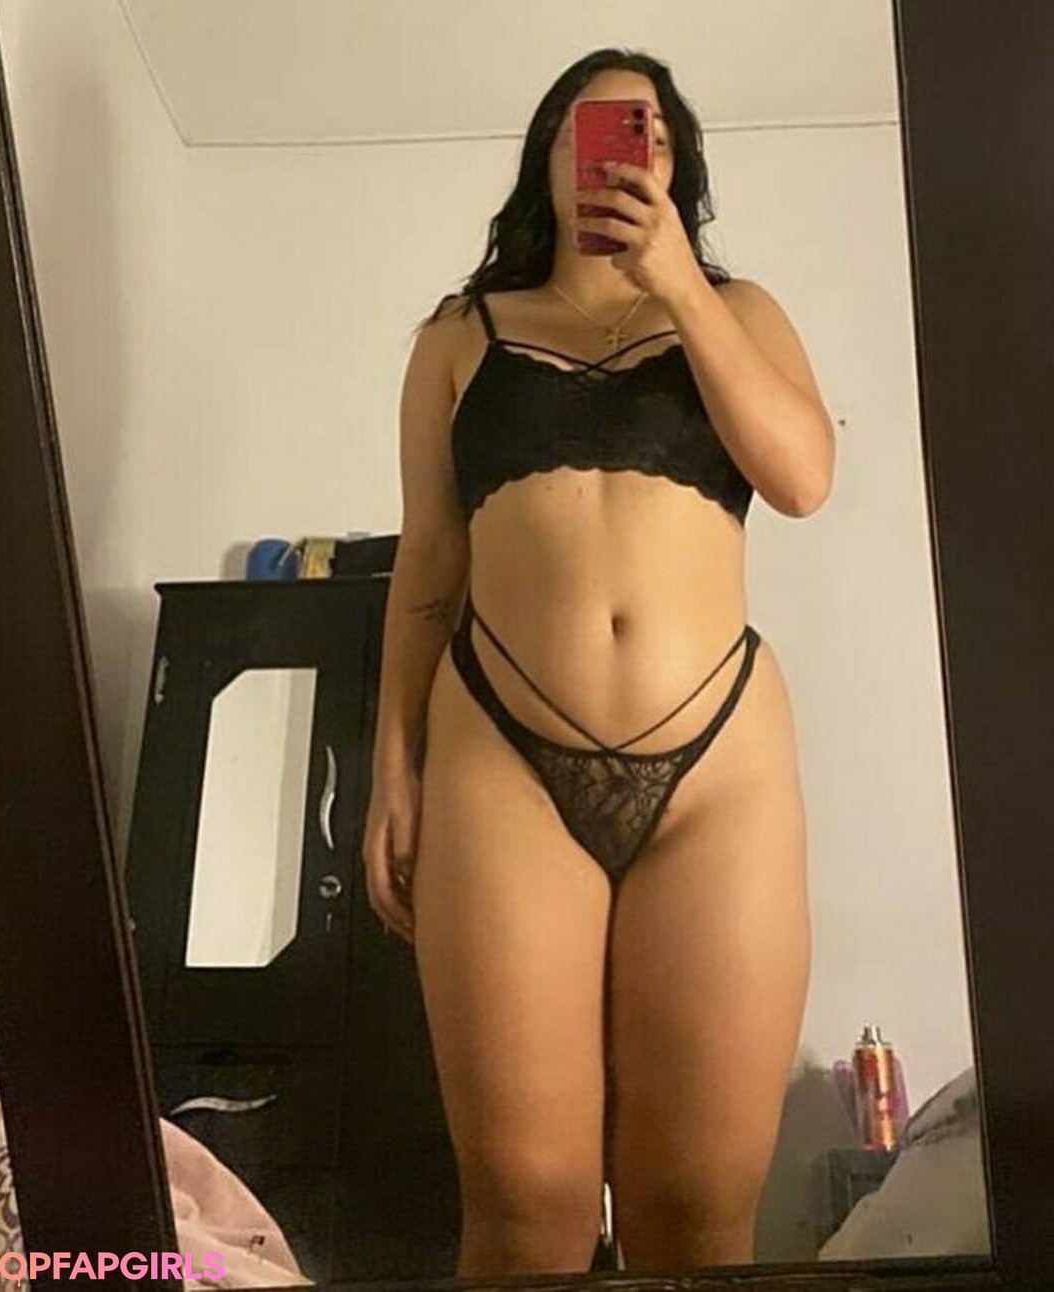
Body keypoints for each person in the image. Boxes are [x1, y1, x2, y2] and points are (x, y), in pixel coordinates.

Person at [362, 47, 835, 1279]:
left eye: (651, 134)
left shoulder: (740, 311)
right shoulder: (458, 335)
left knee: (699, 1207)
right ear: (549, 155)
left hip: (719, 772)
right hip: (501, 762)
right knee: (525, 1203)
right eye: (597, 128)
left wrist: (677, 282)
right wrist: (392, 763)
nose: (625, 149)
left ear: (678, 167)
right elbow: (429, 562)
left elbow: (803, 477)